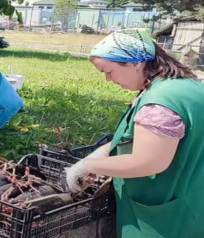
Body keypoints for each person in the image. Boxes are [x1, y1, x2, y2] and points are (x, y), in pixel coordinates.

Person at [65, 29, 204, 238]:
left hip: (162, 217)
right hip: (192, 196)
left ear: (134, 63)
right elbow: (150, 139)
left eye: (108, 71)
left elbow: (149, 162)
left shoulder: (159, 103)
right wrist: (106, 151)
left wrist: (87, 165)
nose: (107, 80)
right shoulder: (185, 86)